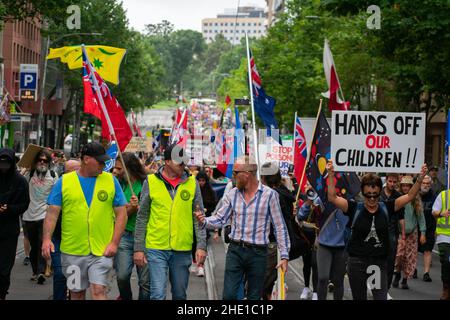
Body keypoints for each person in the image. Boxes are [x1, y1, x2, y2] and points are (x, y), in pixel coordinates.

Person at [326, 160, 427, 300]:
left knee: (380, 297)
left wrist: (420, 178)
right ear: (362, 193)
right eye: (368, 194)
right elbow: (332, 197)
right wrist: (331, 175)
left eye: (375, 194)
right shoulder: (354, 208)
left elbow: (410, 196)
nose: (372, 198)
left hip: (378, 264)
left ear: (380, 192)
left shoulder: (387, 207)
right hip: (357, 263)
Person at [195, 156, 290, 300]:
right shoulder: (233, 194)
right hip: (236, 250)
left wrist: (284, 255)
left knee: (254, 296)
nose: (232, 177)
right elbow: (220, 218)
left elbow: (279, 226)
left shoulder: (270, 195)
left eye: (235, 173)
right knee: (229, 295)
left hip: (258, 252)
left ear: (247, 174)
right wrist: (204, 221)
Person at [42, 142, 128, 300]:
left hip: (102, 251)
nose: (104, 165)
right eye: (100, 161)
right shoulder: (64, 181)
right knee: (76, 293)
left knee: (98, 291)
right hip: (73, 251)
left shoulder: (111, 181)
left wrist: (114, 243)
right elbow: (52, 214)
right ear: (87, 159)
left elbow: (122, 214)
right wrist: (47, 239)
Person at [133, 144, 207, 300]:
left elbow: (198, 217)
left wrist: (201, 246)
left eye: (184, 161)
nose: (182, 165)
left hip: (182, 248)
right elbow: (142, 217)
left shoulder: (192, 183)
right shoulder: (151, 182)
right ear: (167, 161)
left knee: (180, 295)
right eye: (178, 161)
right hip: (156, 247)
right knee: (157, 294)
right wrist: (138, 248)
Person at [113, 153, 150, 300]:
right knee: (122, 276)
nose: (116, 171)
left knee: (145, 282)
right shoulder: (118, 184)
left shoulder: (147, 184)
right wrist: (130, 208)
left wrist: (139, 206)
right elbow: (116, 214)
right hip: (125, 235)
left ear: (130, 169)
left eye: (119, 168)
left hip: (145, 237)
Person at [302, 189, 349, 300]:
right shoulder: (321, 200)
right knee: (323, 278)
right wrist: (308, 202)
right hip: (324, 245)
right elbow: (302, 215)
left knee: (338, 280)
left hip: (341, 246)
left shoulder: (348, 201)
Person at [260, 163, 297, 300]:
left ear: (264, 178)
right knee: (269, 283)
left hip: (271, 242)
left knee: (261, 284)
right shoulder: (284, 192)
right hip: (282, 243)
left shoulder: (272, 195)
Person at [22, 149, 58, 285]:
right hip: (29, 215)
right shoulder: (29, 174)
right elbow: (18, 181)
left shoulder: (54, 176)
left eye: (45, 160)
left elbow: (57, 194)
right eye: (40, 160)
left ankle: (42, 272)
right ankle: (35, 271)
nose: (42, 162)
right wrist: (24, 170)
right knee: (34, 245)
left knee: (42, 242)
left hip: (45, 214)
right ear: (35, 161)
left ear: (49, 163)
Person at [0, 148, 30, 300]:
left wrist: (9, 208)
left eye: (7, 163)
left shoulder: (20, 181)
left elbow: (25, 203)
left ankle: (2, 292)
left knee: (4, 268)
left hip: (9, 231)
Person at [50, 159, 81, 300]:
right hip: (58, 238)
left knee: (77, 278)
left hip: (78, 241)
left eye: (77, 170)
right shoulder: (59, 186)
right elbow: (50, 213)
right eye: (70, 172)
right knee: (59, 273)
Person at [393, 175, 426, 289]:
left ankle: (405, 279)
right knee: (399, 255)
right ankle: (397, 274)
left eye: (408, 185)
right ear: (401, 186)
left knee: (409, 257)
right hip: (399, 232)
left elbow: (421, 217)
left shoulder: (415, 199)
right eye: (404, 185)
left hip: (412, 232)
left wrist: (423, 233)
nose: (406, 187)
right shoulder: (397, 198)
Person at [380, 172, 405, 299]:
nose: (392, 184)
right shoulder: (378, 193)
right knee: (377, 261)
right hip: (378, 230)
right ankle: (375, 287)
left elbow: (401, 218)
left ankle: (386, 290)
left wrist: (403, 237)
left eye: (395, 182)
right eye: (390, 181)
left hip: (392, 232)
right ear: (387, 180)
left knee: (390, 263)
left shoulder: (398, 196)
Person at [191, 170, 218, 277]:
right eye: (199, 180)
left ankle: (201, 265)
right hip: (195, 220)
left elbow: (213, 205)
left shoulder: (210, 192)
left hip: (206, 220)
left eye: (203, 181)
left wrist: (206, 210)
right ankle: (194, 261)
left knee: (203, 242)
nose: (201, 183)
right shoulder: (193, 190)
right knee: (193, 242)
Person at [431, 188, 450, 300]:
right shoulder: (443, 195)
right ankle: (446, 288)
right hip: (445, 236)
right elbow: (434, 211)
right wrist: (441, 214)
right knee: (446, 262)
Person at [418, 175, 437, 282]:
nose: (425, 185)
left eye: (428, 184)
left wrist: (436, 230)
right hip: (416, 227)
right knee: (414, 250)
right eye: (424, 183)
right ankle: (413, 268)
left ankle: (426, 273)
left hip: (429, 226)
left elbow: (436, 211)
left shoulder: (433, 196)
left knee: (428, 250)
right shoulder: (415, 195)